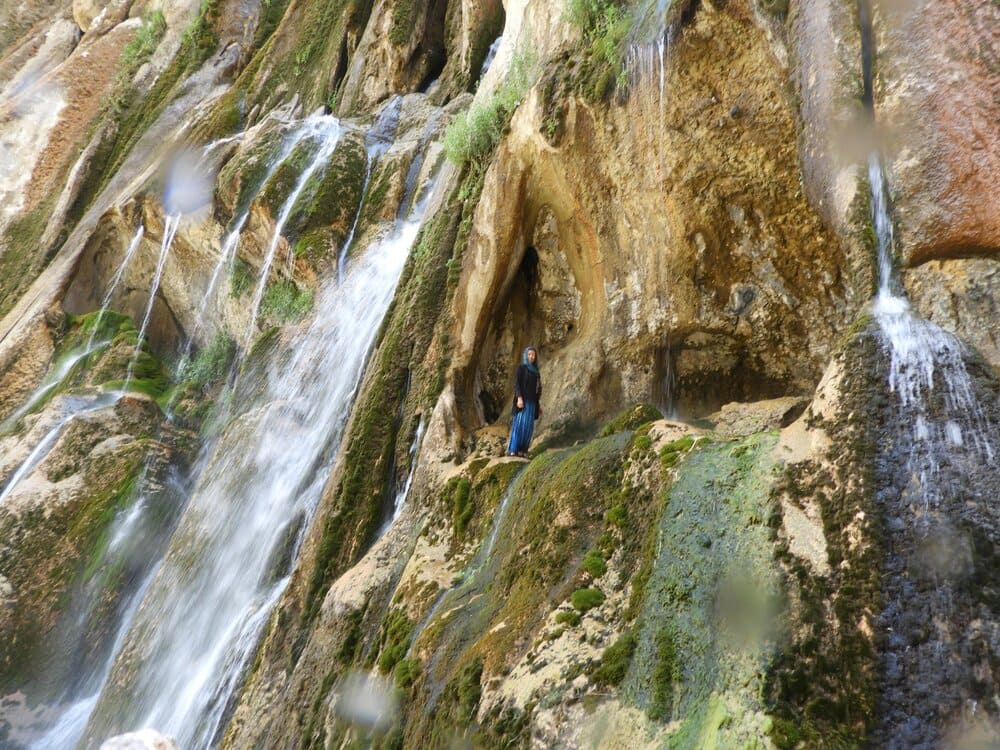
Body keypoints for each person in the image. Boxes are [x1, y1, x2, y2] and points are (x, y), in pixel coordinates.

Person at [507, 346, 542, 458]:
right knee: (519, 425)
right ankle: (513, 449)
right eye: (529, 354)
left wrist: (538, 406)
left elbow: (537, 391)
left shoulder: (536, 372)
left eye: (533, 355)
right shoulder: (521, 368)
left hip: (532, 403)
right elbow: (517, 384)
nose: (532, 356)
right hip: (523, 401)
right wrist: (519, 398)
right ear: (526, 355)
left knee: (528, 427)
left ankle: (523, 450)